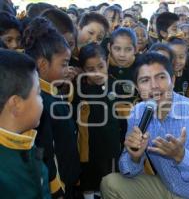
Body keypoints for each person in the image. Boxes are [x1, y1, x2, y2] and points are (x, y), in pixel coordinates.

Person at [100, 52, 189, 199]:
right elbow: (127, 170)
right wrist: (135, 157)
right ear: (137, 87)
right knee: (110, 183)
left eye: (161, 77)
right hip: (168, 188)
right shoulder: (138, 112)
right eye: (145, 80)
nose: (154, 86)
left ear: (172, 80)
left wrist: (181, 156)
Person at [23, 17, 80, 198]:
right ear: (43, 65)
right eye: (63, 64)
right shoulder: (38, 101)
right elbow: (45, 149)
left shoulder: (49, 92)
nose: (67, 69)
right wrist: (56, 187)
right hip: (58, 186)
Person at [72, 43, 121, 199]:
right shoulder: (79, 90)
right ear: (83, 70)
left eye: (101, 66)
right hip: (88, 148)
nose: (98, 73)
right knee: (89, 184)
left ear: (107, 62)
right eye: (91, 70)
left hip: (111, 148)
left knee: (107, 183)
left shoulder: (114, 85)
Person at [0, 49, 51, 199]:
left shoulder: (23, 143)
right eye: (38, 94)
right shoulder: (6, 170)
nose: (42, 101)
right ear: (16, 104)